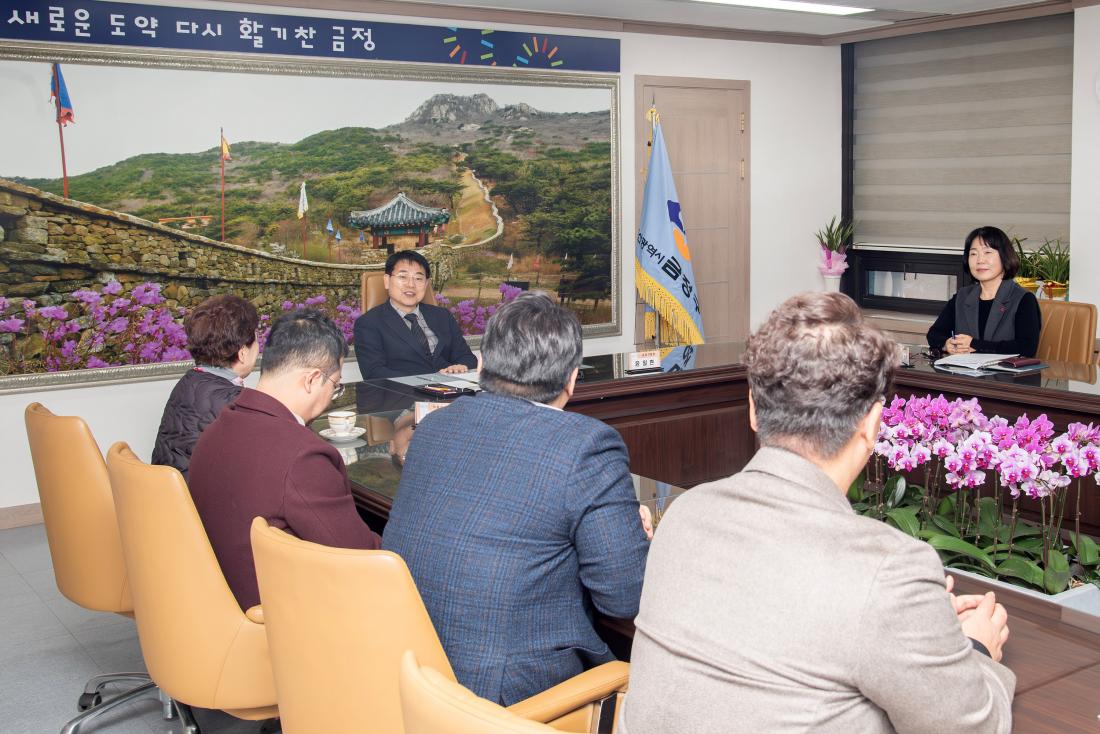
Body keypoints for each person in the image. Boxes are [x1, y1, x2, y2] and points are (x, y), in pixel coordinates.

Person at [621, 292, 1015, 734]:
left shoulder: (685, 514)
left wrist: (919, 625)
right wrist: (976, 649)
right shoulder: (888, 572)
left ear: (753, 409)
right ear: (872, 424)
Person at [382, 293, 651, 706]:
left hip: (413, 674)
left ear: (481, 366)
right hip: (506, 700)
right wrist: (631, 534)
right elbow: (624, 596)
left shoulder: (434, 428)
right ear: (572, 379)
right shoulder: (586, 447)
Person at [189, 308, 380, 610]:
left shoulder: (217, 428)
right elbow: (361, 559)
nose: (332, 396)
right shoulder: (302, 455)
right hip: (279, 615)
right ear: (312, 379)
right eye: (335, 386)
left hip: (217, 602)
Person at [152, 294, 259, 482]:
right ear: (242, 353)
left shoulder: (189, 381)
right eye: (257, 341)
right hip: (199, 499)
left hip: (169, 494)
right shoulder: (236, 403)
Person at [353, 250, 478, 378]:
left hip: (449, 386)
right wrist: (421, 383)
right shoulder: (369, 323)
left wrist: (460, 367)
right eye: (403, 277)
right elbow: (374, 373)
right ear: (387, 281)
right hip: (403, 390)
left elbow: (467, 357)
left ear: (426, 284)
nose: (411, 285)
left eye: (418, 278)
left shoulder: (443, 316)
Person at [927, 226, 1041, 357]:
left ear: (1004, 256)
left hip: (1004, 370)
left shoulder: (1023, 299)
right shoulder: (962, 297)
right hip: (963, 369)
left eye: (987, 252)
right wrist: (946, 343)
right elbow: (934, 334)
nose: (980, 260)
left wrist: (975, 345)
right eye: (973, 254)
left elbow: (1027, 348)